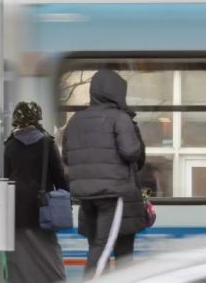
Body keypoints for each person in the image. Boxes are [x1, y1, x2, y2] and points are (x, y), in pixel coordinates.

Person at [63, 70, 146, 277]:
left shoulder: (75, 120)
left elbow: (67, 157)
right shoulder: (120, 118)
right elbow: (132, 153)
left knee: (96, 246)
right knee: (110, 251)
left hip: (86, 197)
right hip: (115, 196)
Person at [4, 102, 67, 283]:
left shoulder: (9, 146)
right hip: (43, 210)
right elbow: (60, 179)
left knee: (19, 259)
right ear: (38, 119)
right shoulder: (47, 143)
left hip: (16, 213)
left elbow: (4, 178)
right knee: (49, 258)